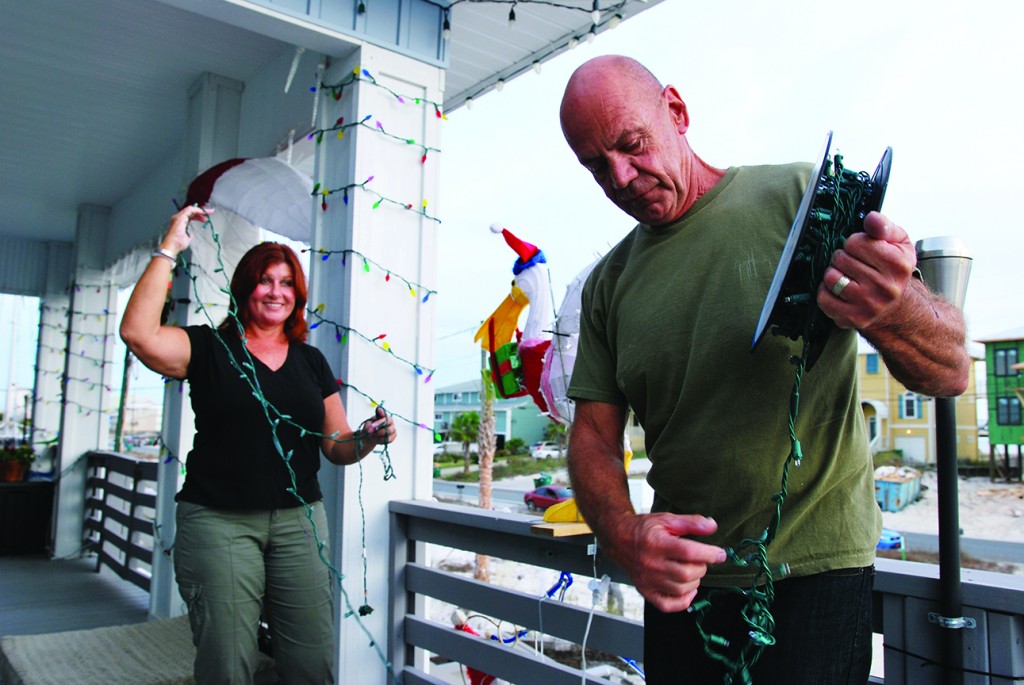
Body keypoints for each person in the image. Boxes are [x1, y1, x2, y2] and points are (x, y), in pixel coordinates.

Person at [559, 55, 969, 684]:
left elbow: (948, 372)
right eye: (596, 166)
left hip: (815, 576)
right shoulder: (607, 284)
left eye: (631, 144)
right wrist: (624, 535)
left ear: (676, 111)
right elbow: (591, 436)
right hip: (679, 589)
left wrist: (894, 308)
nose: (620, 177)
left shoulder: (802, 200)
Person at [120, 204, 397, 685]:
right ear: (245, 287)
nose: (276, 292)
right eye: (266, 280)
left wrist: (369, 438)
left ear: (298, 295)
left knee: (311, 661)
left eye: (287, 283)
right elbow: (137, 334)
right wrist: (171, 247)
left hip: (300, 522)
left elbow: (336, 446)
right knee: (227, 663)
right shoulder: (206, 347)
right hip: (217, 522)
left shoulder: (311, 361)